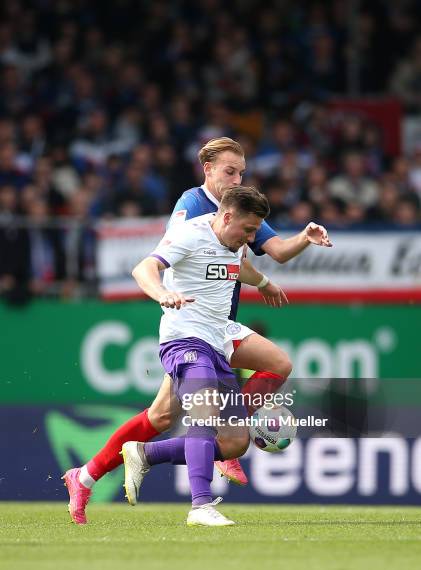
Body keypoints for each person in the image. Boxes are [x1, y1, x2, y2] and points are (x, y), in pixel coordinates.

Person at [63, 137, 331, 523]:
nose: (236, 178)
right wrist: (164, 295)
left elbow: (262, 255)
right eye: (229, 171)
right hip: (190, 326)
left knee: (268, 372)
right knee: (184, 414)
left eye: (241, 171)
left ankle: (96, 471)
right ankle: (178, 488)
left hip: (221, 328)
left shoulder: (243, 208)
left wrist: (286, 258)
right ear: (207, 169)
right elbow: (164, 260)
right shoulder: (191, 208)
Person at [122, 185, 273, 526]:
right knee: (202, 413)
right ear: (227, 216)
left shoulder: (235, 243)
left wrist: (263, 282)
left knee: (235, 442)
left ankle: (145, 452)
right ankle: (201, 506)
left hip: (218, 343)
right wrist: (162, 292)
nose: (251, 238)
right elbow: (143, 268)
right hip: (184, 340)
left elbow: (241, 268)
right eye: (248, 229)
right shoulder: (190, 234)